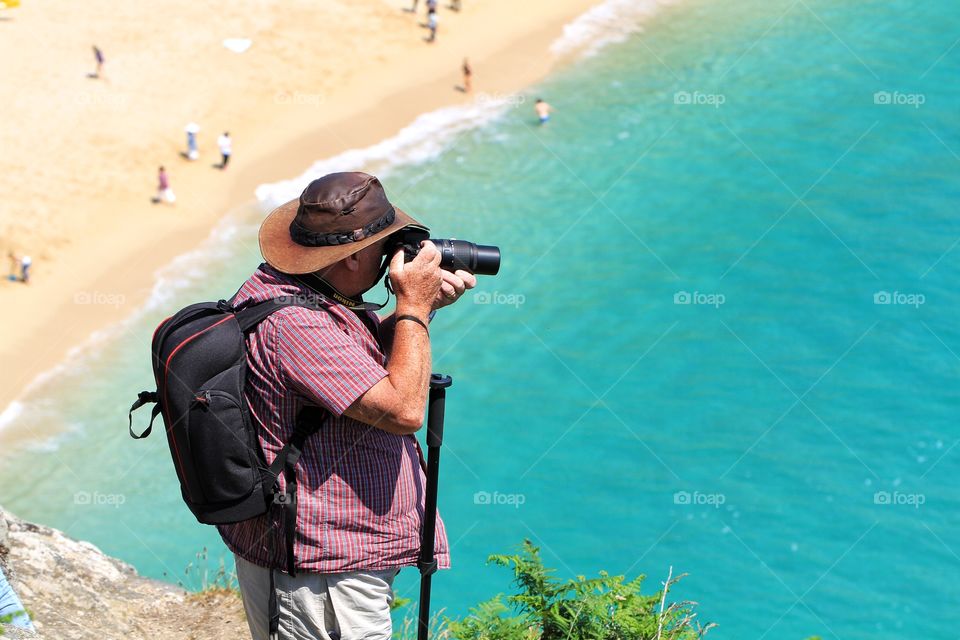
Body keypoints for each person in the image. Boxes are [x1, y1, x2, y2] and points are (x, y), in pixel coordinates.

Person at [220, 172, 476, 640]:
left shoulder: (305, 294)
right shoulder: (296, 325)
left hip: (329, 560)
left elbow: (353, 369)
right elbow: (403, 410)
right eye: (384, 246)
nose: (390, 257)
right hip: (321, 570)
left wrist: (414, 312)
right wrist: (412, 308)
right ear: (355, 254)